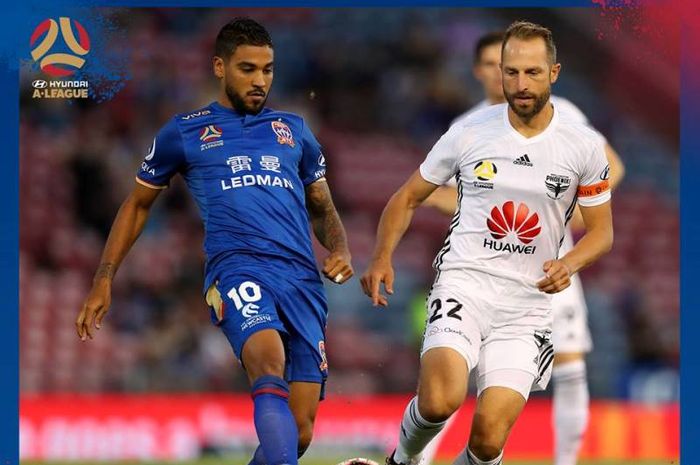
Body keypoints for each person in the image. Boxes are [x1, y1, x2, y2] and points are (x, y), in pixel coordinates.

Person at [75, 17, 353, 465]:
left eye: (268, 69)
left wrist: (339, 247)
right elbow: (138, 205)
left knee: (298, 433)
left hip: (302, 281)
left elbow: (322, 205)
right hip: (237, 269)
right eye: (248, 68)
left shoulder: (294, 130)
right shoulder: (185, 131)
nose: (260, 80)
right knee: (267, 361)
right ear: (219, 67)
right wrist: (104, 277)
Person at [361, 21, 613, 465]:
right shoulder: (470, 131)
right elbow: (407, 197)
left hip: (527, 303)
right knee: (441, 401)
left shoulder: (583, 146)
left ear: (554, 72)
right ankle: (400, 460)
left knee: (489, 440)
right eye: (511, 72)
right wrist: (382, 256)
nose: (520, 84)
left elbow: (602, 231)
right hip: (466, 282)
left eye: (532, 72)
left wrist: (569, 263)